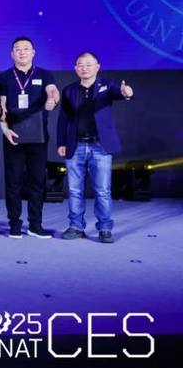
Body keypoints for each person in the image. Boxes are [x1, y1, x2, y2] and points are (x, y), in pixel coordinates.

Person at [57, 52, 133, 244]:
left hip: (100, 146)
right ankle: (76, 226)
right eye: (80, 65)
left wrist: (126, 93)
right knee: (74, 190)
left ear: (97, 67)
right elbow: (63, 119)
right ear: (75, 68)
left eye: (88, 64)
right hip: (75, 145)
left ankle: (105, 228)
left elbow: (120, 93)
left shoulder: (108, 85)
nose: (84, 68)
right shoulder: (69, 90)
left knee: (103, 190)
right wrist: (61, 143)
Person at [0, 36, 60, 239]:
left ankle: (35, 224)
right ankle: (14, 224)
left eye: (26, 48)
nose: (22, 52)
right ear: (12, 54)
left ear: (33, 52)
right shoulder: (4, 77)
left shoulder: (45, 74)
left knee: (37, 181)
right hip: (13, 136)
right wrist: (4, 129)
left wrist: (52, 100)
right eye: (18, 49)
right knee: (13, 182)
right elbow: (2, 107)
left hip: (38, 137)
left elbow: (52, 91)